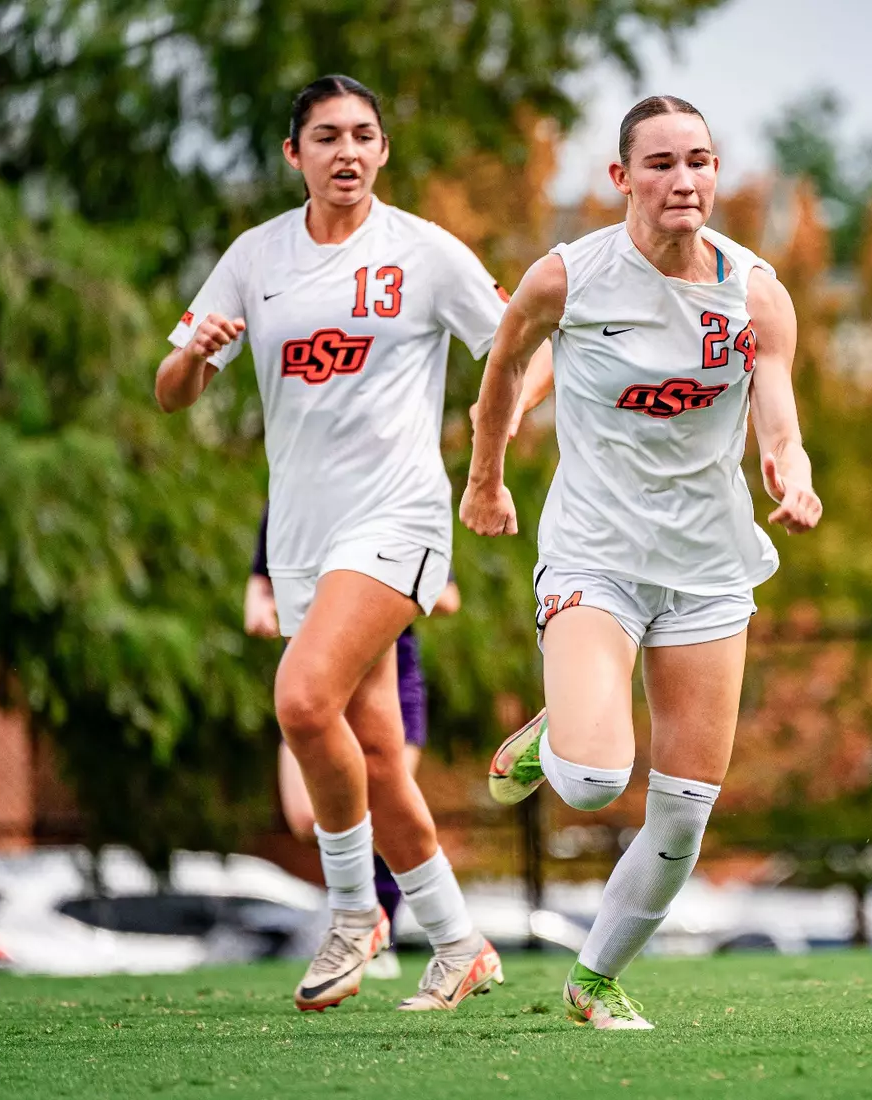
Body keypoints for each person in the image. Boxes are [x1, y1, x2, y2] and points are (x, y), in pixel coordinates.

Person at [156, 74, 519, 1012]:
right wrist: (196, 356)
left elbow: (523, 346)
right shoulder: (254, 257)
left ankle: (355, 914)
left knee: (302, 700)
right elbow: (170, 390)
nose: (346, 151)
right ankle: (459, 941)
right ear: (294, 155)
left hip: (398, 521)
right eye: (325, 137)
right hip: (302, 540)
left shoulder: (426, 253)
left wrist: (485, 451)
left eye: (363, 134)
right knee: (378, 752)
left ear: (384, 150)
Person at [464, 94, 821, 1030]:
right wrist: (486, 479)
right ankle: (557, 735)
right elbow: (503, 374)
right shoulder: (565, 278)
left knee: (685, 813)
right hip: (597, 555)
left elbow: (777, 405)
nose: (684, 179)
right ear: (621, 178)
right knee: (590, 782)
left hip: (709, 568)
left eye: (699, 160)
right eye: (660, 163)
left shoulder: (754, 293)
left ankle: (594, 980)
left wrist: (791, 467)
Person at [246, 503, 460, 978]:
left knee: (379, 800)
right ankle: (377, 924)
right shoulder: (289, 499)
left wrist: (369, 594)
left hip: (388, 666)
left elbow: (446, 596)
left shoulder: (395, 498)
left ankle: (380, 928)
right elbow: (259, 586)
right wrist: (265, 608)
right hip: (311, 670)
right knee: (307, 816)